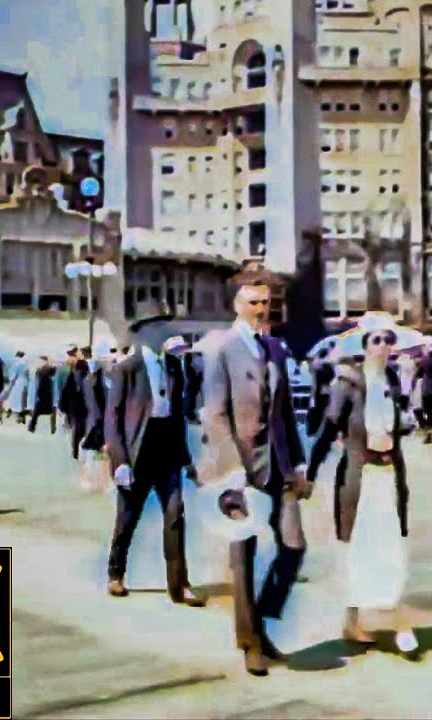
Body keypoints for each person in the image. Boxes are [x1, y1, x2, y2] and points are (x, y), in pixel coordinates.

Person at [198, 265, 308, 677]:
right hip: (240, 469)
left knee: (294, 546)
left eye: (266, 302)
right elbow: (212, 412)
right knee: (242, 557)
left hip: (278, 464)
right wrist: (230, 469)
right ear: (237, 304)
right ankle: (250, 643)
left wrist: (298, 463)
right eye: (253, 302)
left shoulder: (276, 349)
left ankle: (260, 622)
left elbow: (285, 415)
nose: (261, 309)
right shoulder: (221, 349)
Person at [307, 318, 421, 660]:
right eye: (376, 340)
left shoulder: (391, 381)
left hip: (388, 475)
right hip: (361, 477)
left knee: (391, 548)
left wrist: (405, 421)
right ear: (363, 346)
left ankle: (396, 619)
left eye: (389, 340)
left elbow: (397, 421)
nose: (384, 346)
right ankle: (358, 621)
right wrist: (310, 474)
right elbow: (329, 429)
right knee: (358, 549)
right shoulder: (348, 383)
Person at [103, 310, 207, 607]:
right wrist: (120, 460)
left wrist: (187, 460)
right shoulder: (127, 369)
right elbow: (113, 417)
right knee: (127, 517)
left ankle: (179, 584)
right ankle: (115, 573)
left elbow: (177, 418)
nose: (166, 329)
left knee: (175, 516)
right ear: (144, 332)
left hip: (168, 449)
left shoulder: (175, 366)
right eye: (160, 325)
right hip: (138, 452)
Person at [415, 339, 432, 443]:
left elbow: (418, 374)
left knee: (427, 412)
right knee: (431, 412)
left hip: (426, 389)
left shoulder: (424, 361)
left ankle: (429, 434)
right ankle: (430, 433)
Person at [26, 356, 58, 434]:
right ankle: (52, 429)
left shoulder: (45, 370)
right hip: (46, 394)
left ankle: (32, 428)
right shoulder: (44, 370)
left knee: (38, 411)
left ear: (45, 361)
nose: (39, 363)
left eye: (41, 361)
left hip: (44, 394)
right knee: (48, 411)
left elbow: (39, 382)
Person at [4, 351, 31, 424]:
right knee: (23, 400)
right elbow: (27, 375)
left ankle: (18, 418)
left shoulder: (16, 364)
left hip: (17, 383)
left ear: (17, 356)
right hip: (25, 383)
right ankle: (22, 417)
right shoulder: (25, 364)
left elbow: (13, 376)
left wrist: (10, 382)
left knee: (16, 400)